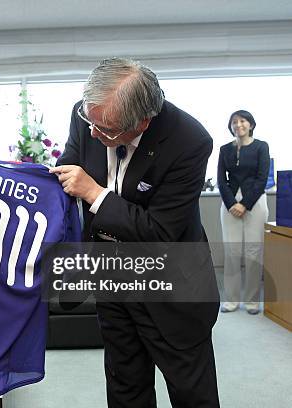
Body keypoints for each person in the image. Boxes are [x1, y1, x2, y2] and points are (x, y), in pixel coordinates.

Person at [51, 58, 220, 408]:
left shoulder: (190, 141)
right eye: (91, 123)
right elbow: (69, 168)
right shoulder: (90, 116)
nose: (95, 135)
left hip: (171, 284)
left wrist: (95, 193)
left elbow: (160, 231)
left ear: (143, 121)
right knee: (126, 385)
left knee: (192, 393)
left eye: (107, 130)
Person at [218, 110, 270, 314]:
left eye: (243, 121)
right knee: (231, 252)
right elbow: (221, 180)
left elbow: (262, 177)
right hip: (229, 203)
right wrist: (232, 203)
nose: (238, 125)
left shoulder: (261, 147)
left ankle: (252, 301)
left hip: (255, 202)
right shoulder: (224, 150)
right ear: (230, 127)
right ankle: (230, 300)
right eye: (234, 122)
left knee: (253, 252)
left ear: (250, 124)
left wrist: (245, 204)